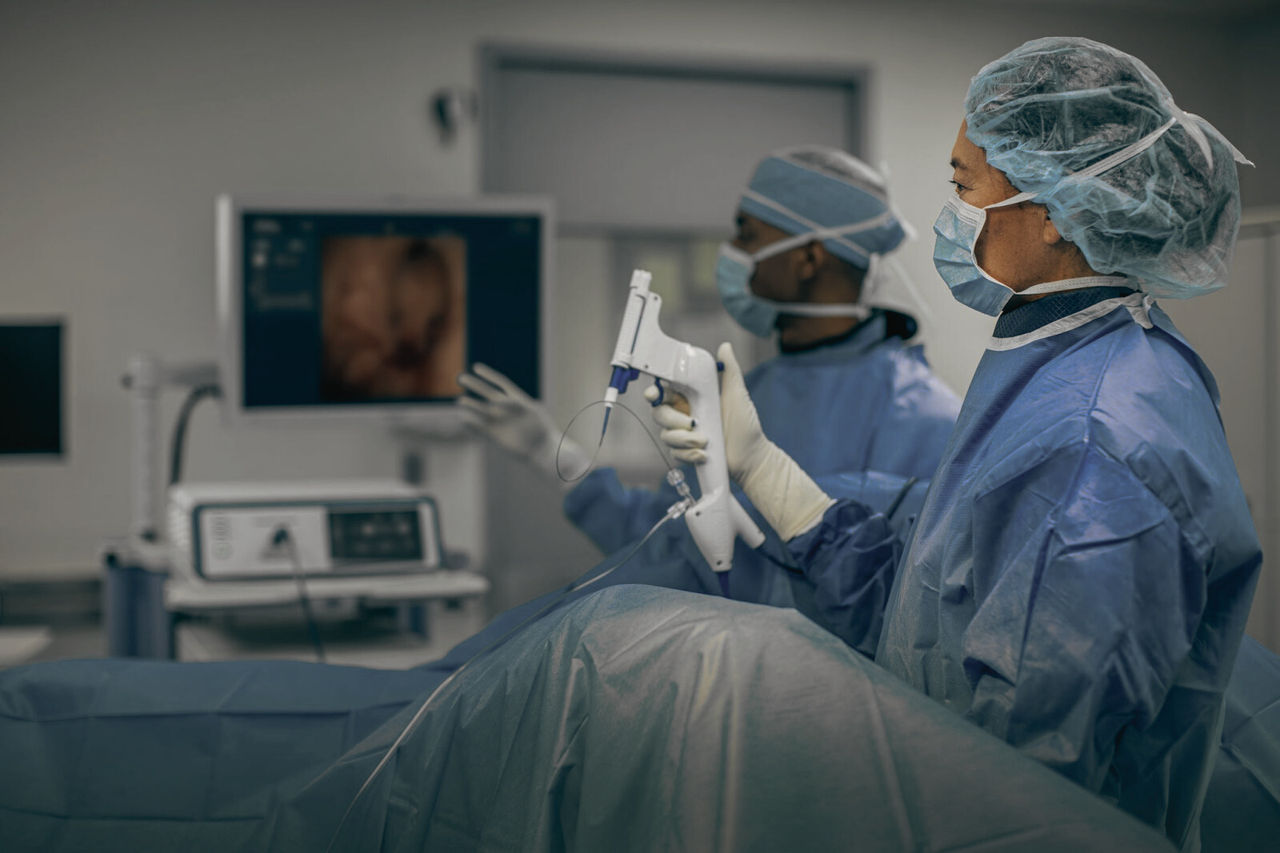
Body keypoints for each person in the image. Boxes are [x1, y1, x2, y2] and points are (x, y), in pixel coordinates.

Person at [653, 37, 1259, 850]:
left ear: (1052, 213)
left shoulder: (1094, 440)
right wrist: (765, 470)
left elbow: (1026, 786)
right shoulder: (1066, 359)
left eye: (964, 187)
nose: (951, 218)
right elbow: (937, 608)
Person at [459, 147, 960, 601]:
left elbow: (897, 608)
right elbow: (665, 540)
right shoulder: (753, 394)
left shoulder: (922, 420)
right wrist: (550, 451)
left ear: (809, 257)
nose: (732, 253)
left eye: (747, 235)